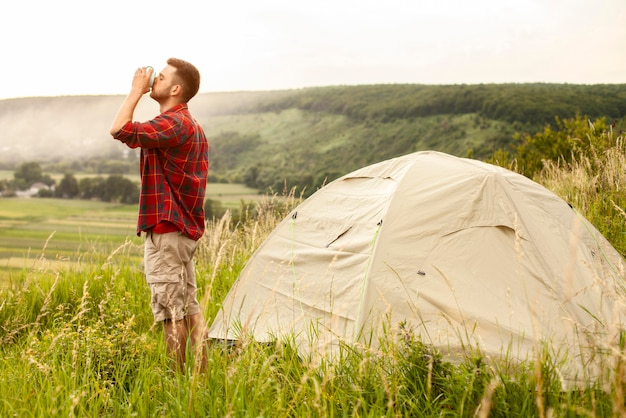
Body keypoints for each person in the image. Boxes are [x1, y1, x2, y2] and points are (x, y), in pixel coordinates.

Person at [109, 58, 209, 372]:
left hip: (166, 231)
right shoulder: (190, 125)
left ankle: (178, 386)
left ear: (176, 89)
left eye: (162, 77)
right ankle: (201, 381)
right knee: (189, 310)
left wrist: (135, 91)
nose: (155, 80)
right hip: (182, 232)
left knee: (170, 314)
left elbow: (120, 129)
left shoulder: (174, 123)